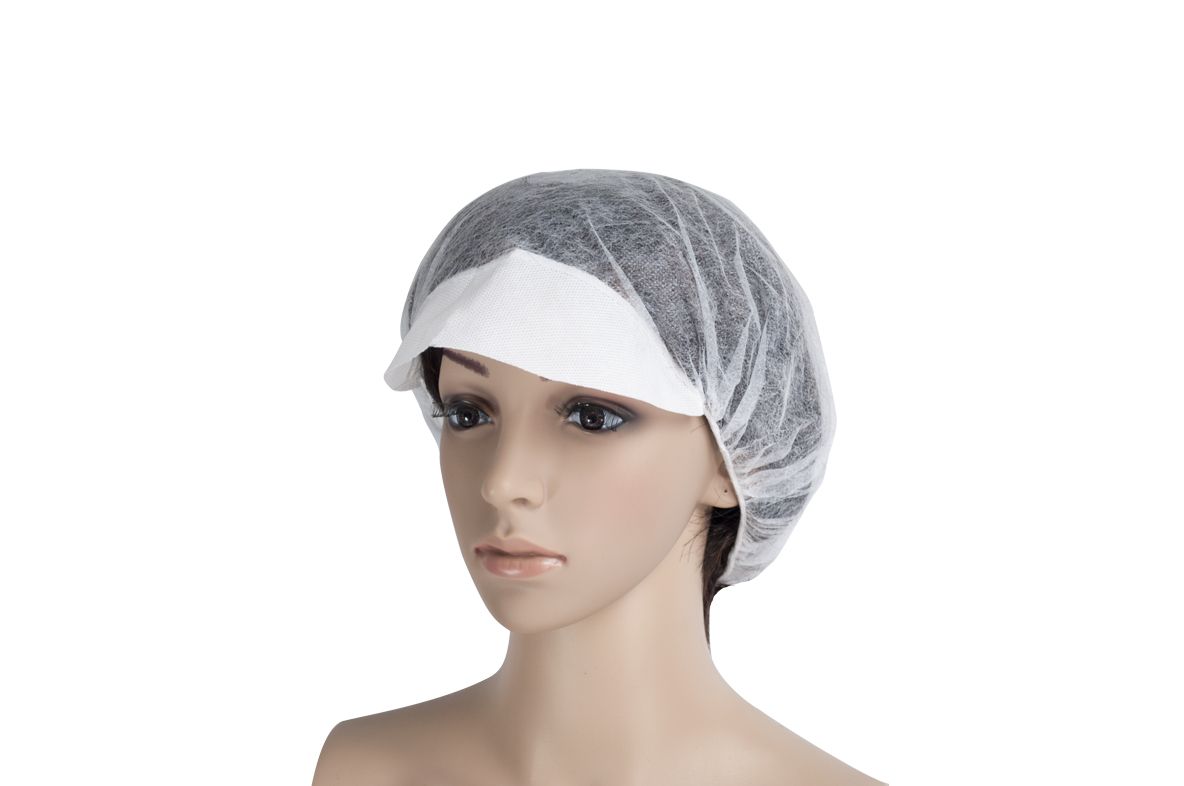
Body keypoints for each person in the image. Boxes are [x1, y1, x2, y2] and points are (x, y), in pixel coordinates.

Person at [312, 170, 886, 785]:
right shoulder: (360, 769)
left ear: (731, 457)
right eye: (468, 413)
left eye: (592, 417)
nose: (503, 482)